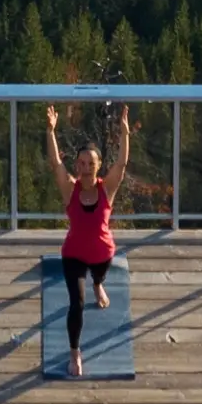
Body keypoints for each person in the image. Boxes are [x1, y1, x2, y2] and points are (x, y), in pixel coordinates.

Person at [43, 101, 131, 378]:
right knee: (76, 304)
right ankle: (74, 352)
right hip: (74, 255)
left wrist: (125, 133)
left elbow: (122, 163)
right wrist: (50, 131)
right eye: (81, 163)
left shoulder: (108, 189)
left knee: (100, 275)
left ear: (98, 165)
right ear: (77, 165)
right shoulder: (70, 189)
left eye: (90, 163)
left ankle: (98, 283)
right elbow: (55, 163)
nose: (84, 167)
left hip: (103, 253)